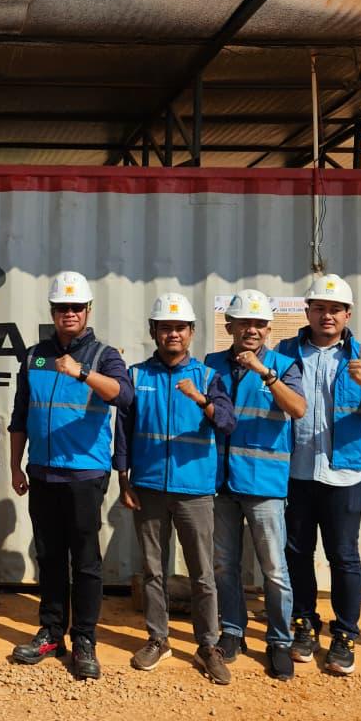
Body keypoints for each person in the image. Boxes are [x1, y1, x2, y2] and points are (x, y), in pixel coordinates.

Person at [8, 271, 133, 680]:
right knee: (49, 557)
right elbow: (20, 415)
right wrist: (15, 465)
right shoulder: (35, 356)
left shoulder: (103, 355)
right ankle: (51, 632)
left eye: (76, 307)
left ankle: (84, 639)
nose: (69, 313)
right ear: (52, 311)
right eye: (62, 307)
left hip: (84, 473)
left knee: (85, 561)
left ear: (88, 310)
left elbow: (123, 395)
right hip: (42, 472)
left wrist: (81, 372)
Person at [115, 292, 236, 686]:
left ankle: (208, 646)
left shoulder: (207, 376)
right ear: (154, 331)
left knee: (203, 573)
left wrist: (201, 400)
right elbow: (123, 431)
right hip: (148, 487)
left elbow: (227, 423)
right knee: (153, 569)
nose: (173, 334)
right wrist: (123, 480)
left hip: (195, 490)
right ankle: (158, 638)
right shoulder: (137, 375)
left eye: (180, 328)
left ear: (191, 332)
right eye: (165, 328)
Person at [277, 274, 361, 675]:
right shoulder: (285, 352)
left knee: (343, 556)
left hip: (345, 472)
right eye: (320, 308)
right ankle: (304, 623)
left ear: (348, 314)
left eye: (336, 309)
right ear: (308, 311)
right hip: (296, 470)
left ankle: (345, 634)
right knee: (297, 552)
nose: (328, 315)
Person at [204, 289, 306, 680]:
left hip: (264, 485)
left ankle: (279, 640)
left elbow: (297, 408)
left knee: (274, 569)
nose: (252, 330)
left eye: (259, 324)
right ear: (229, 325)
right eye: (244, 322)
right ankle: (233, 631)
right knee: (224, 565)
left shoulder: (283, 365)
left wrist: (265, 373)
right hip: (221, 482)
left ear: (268, 328)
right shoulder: (211, 364)